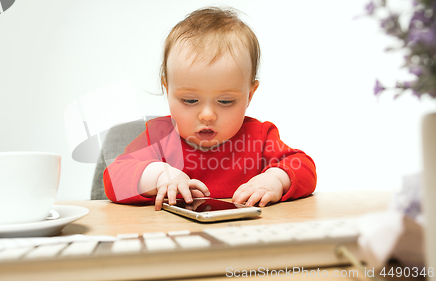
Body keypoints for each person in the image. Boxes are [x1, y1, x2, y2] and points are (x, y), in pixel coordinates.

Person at [103, 7, 317, 210]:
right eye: (189, 100)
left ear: (250, 95)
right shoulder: (159, 136)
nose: (207, 115)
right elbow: (113, 179)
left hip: (243, 239)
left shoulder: (259, 138)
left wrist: (275, 180)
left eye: (225, 101)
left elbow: (304, 167)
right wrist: (159, 176)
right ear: (167, 89)